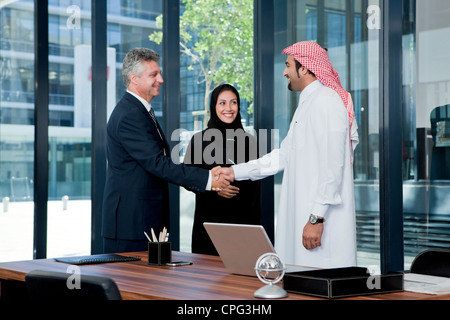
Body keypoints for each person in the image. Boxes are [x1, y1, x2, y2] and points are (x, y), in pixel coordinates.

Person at [216, 41, 359, 268]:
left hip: (319, 224)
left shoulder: (327, 102)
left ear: (304, 68)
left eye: (288, 65)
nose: (284, 72)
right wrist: (233, 171)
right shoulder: (308, 103)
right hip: (305, 218)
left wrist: (316, 218)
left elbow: (334, 166)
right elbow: (283, 156)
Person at [102, 48, 231, 253]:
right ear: (134, 78)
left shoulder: (139, 111)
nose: (160, 79)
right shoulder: (130, 115)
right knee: (133, 284)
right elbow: (158, 164)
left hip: (142, 222)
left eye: (159, 73)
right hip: (132, 226)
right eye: (153, 74)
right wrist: (208, 178)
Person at [184, 84, 261, 255]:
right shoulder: (199, 140)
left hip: (243, 224)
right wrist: (214, 187)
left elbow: (256, 190)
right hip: (209, 223)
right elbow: (188, 179)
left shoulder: (249, 141)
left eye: (233, 102)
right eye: (222, 103)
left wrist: (255, 229)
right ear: (214, 106)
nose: (228, 108)